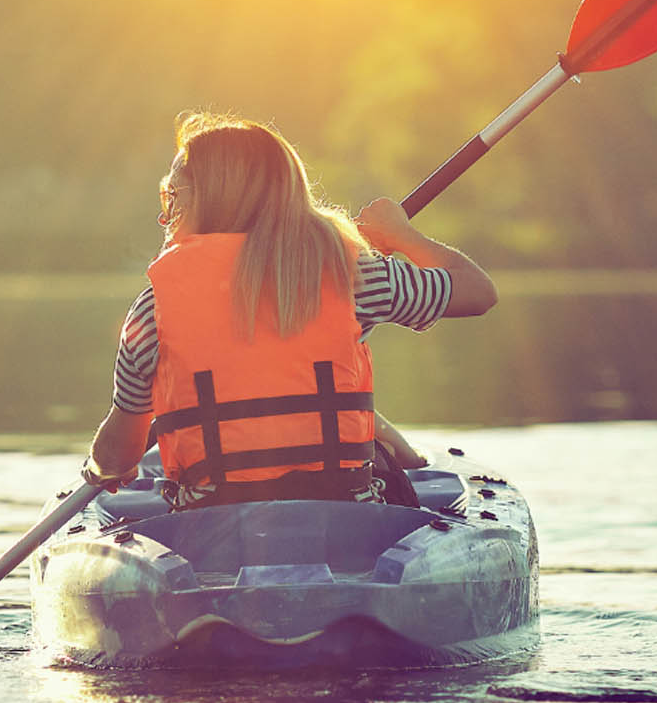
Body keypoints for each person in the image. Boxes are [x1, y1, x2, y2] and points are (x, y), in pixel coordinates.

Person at [82, 112, 497, 509]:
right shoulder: (355, 276)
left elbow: (118, 454)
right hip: (349, 522)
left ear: (210, 200)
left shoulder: (152, 311)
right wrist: (402, 236)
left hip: (209, 528)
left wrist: (99, 468)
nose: (163, 215)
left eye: (172, 196)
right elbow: (478, 291)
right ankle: (410, 458)